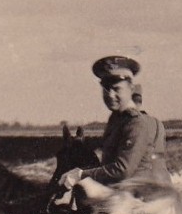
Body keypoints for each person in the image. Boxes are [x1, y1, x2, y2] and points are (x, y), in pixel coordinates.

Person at [59, 56, 171, 188]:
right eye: (106, 89)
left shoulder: (136, 123)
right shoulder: (117, 119)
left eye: (117, 89)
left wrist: (81, 175)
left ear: (131, 89)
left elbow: (122, 169)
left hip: (137, 195)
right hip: (121, 191)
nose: (110, 95)